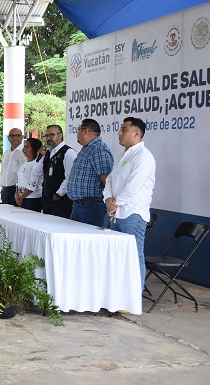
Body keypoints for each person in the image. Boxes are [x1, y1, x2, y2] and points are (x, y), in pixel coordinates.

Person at [104, 117, 156, 288]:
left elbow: (133, 186)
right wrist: (107, 199)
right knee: (117, 255)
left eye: (124, 130)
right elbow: (110, 180)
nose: (119, 133)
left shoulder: (143, 157)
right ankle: (120, 291)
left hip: (132, 214)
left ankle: (134, 294)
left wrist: (115, 203)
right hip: (117, 213)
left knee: (133, 254)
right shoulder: (122, 155)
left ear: (136, 133)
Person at [67, 118, 114, 227]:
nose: (77, 133)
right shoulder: (88, 148)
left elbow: (106, 179)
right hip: (80, 205)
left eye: (78, 130)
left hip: (91, 206)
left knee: (88, 240)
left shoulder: (98, 149)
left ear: (85, 131)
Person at [41, 125, 77, 218]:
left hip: (61, 201)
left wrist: (58, 194)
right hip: (48, 200)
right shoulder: (48, 152)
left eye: (52, 135)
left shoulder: (68, 152)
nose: (48, 138)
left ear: (60, 135)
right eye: (46, 136)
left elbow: (70, 176)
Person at [14, 138, 44, 212]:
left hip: (32, 199)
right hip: (21, 198)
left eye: (27, 147)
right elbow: (19, 180)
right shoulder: (25, 162)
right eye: (24, 146)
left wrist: (21, 197)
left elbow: (33, 184)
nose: (24, 149)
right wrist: (16, 195)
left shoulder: (37, 164)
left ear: (34, 149)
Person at [0, 129, 25, 205]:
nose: (15, 138)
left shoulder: (24, 153)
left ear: (22, 137)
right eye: (12, 136)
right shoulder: (6, 153)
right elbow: (3, 171)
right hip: (5, 190)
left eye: (17, 136)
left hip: (17, 190)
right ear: (8, 138)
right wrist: (1, 188)